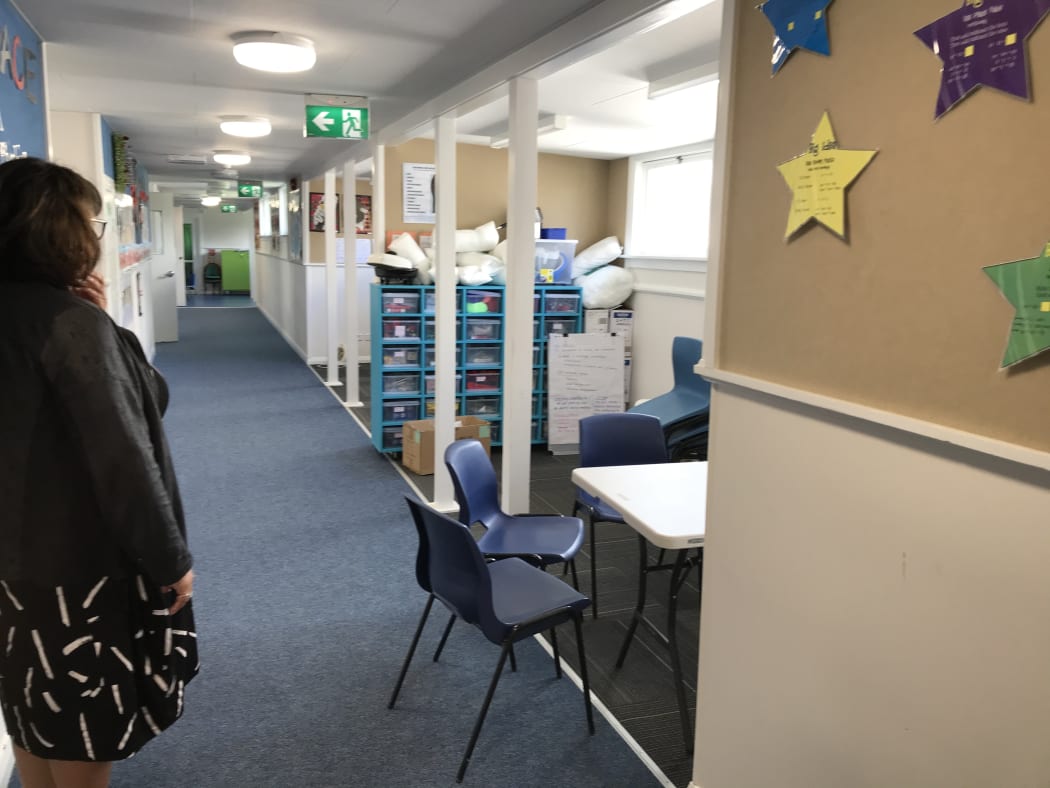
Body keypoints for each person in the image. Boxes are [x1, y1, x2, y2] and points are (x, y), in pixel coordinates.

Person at [0, 158, 197, 788]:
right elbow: (124, 455)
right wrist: (169, 562)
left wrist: (105, 326)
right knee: (84, 716)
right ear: (55, 231)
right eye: (89, 222)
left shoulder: (45, 316)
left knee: (31, 701)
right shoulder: (68, 326)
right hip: (75, 567)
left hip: (13, 562)